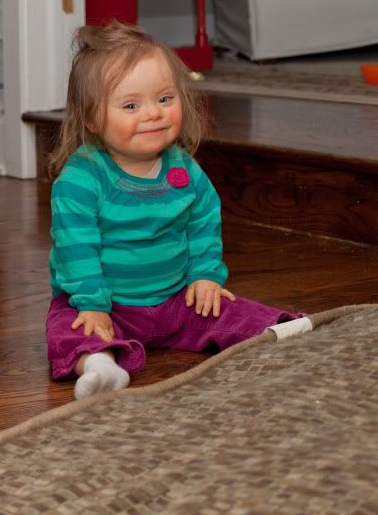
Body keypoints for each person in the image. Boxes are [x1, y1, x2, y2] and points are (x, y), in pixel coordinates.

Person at [46, 21, 301, 400]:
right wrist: (94, 305)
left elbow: (204, 222)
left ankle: (280, 332)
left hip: (176, 301)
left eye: (165, 99)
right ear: (91, 118)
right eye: (131, 105)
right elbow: (76, 250)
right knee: (68, 326)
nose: (154, 114)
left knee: (226, 307)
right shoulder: (80, 180)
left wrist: (205, 275)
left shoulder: (183, 168)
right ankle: (100, 364)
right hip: (108, 305)